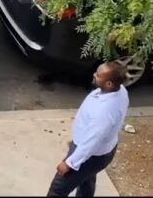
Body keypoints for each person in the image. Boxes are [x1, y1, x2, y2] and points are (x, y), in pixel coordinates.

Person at [47, 61, 130, 197]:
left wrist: (70, 163)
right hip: (102, 152)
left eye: (98, 75)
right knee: (86, 180)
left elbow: (92, 142)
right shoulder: (120, 91)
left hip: (90, 156)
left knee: (57, 190)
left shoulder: (104, 112)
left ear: (109, 83)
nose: (94, 75)